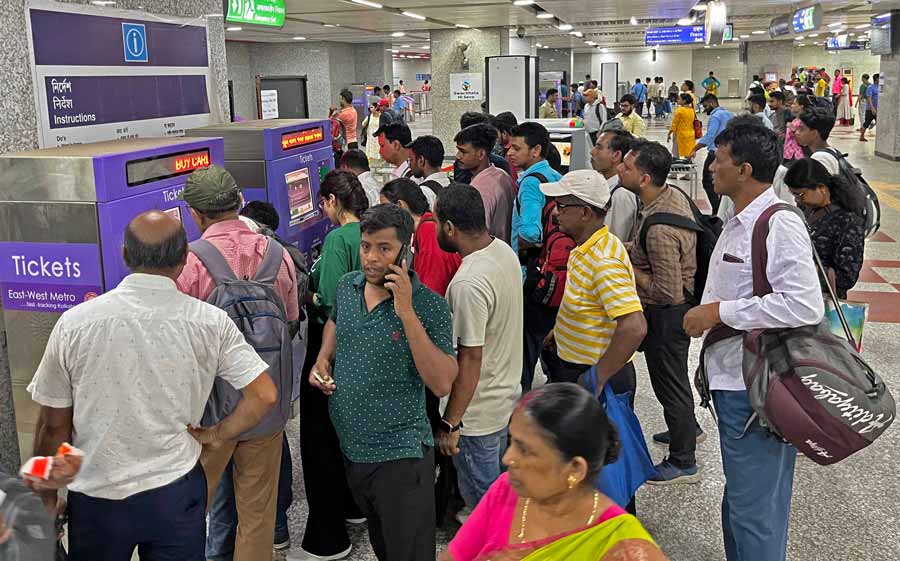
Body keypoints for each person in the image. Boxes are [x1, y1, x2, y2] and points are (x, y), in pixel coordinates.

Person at [28, 210, 276, 561]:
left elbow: (52, 426)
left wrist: (46, 497)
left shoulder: (75, 324)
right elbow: (264, 395)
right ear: (183, 259)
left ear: (126, 255)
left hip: (98, 496)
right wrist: (217, 432)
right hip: (175, 492)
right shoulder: (209, 321)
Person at [683, 120, 824, 561]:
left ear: (743, 169)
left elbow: (804, 306)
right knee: (747, 501)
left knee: (753, 509)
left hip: (757, 389)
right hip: (736, 382)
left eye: (719, 160)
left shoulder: (777, 223)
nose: (711, 168)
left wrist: (719, 312)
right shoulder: (738, 220)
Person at [309, 203, 457, 561]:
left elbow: (441, 383)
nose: (372, 258)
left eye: (384, 248)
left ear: (406, 250)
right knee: (383, 546)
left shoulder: (429, 306)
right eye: (366, 247)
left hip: (400, 459)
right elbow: (335, 321)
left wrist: (405, 309)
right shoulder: (348, 286)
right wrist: (323, 359)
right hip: (353, 449)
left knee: (408, 553)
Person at [175, 166, 298, 561]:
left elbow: (178, 341)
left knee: (189, 512)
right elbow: (291, 321)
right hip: (265, 406)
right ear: (239, 202)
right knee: (257, 515)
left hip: (208, 414)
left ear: (195, 213)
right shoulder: (279, 256)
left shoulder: (189, 264)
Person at [440, 384, 668, 561]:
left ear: (575, 469)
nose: (507, 458)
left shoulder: (623, 547)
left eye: (525, 449)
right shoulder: (506, 489)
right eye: (512, 441)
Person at [435, 183, 524, 524]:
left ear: (450, 229)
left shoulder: (467, 283)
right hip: (503, 399)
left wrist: (451, 422)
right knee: (500, 494)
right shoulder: (502, 251)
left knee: (486, 510)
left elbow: (469, 358)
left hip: (476, 416)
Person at [294, 170, 371, 560]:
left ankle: (327, 539)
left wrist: (305, 297)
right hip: (362, 348)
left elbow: (329, 298)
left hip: (330, 345)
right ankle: (354, 508)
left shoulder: (339, 238)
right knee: (346, 433)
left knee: (319, 439)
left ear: (331, 202)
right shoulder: (373, 233)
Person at [618, 140, 701, 484]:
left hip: (669, 316)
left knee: (670, 383)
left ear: (644, 178)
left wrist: (629, 268)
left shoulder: (661, 229)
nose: (620, 170)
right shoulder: (667, 196)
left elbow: (667, 291)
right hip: (671, 310)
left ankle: (684, 461)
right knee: (674, 380)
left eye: (627, 167)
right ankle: (686, 428)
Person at [538, 169, 646, 399]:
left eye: (562, 206)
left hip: (593, 374)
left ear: (585, 212)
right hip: (575, 364)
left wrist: (596, 377)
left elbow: (634, 327)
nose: (556, 213)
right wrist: (560, 331)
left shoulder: (604, 261)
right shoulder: (585, 246)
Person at [506, 122, 563, 391]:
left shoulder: (530, 184)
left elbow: (530, 232)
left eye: (517, 148)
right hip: (554, 273)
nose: (510, 153)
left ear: (536, 150)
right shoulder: (554, 176)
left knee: (527, 344)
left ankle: (521, 402)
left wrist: (517, 246)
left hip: (531, 274)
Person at [784, 158, 865, 299]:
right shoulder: (806, 209)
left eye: (800, 194)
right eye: (794, 195)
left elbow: (847, 278)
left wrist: (805, 269)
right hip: (796, 295)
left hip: (822, 300)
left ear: (821, 188)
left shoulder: (848, 221)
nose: (797, 200)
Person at [380, 178, 462, 296]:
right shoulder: (423, 230)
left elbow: (432, 291)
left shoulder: (428, 231)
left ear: (400, 205)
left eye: (384, 209)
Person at [455, 123, 517, 243]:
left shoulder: (480, 190)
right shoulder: (502, 175)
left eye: (463, 152)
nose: (458, 156)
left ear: (481, 154)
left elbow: (476, 237)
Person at [591, 129, 640, 242]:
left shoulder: (621, 195)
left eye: (599, 147)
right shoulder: (607, 186)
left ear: (616, 155)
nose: (592, 152)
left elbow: (613, 243)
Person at [690, 93, 734, 215]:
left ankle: (717, 210)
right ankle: (722, 210)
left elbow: (710, 137)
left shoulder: (715, 116)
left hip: (715, 153)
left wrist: (694, 149)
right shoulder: (730, 114)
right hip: (730, 153)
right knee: (725, 182)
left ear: (712, 103)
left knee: (707, 182)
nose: (704, 109)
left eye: (705, 106)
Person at [406, 135, 448, 207]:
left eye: (410, 160)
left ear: (421, 160)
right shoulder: (453, 185)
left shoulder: (423, 193)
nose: (409, 165)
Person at [492, 111, 520, 183]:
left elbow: (512, 181)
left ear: (504, 133)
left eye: (496, 132)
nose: (496, 137)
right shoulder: (521, 148)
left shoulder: (510, 155)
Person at [668, 93, 697, 160]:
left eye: (679, 99)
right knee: (688, 151)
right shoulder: (692, 110)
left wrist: (669, 133)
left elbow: (674, 124)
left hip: (680, 134)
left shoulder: (679, 110)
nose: (677, 100)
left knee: (676, 152)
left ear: (684, 101)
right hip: (691, 134)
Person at [784, 94, 811, 162]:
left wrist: (793, 130)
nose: (791, 106)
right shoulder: (794, 120)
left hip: (798, 156)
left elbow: (803, 141)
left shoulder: (804, 122)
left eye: (794, 104)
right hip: (789, 154)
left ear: (801, 106)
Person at [860, 73, 879, 142]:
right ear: (876, 79)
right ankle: (861, 136)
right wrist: (872, 108)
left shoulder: (881, 87)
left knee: (879, 123)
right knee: (867, 123)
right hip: (870, 109)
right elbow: (869, 98)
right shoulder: (870, 87)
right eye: (879, 78)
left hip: (879, 109)